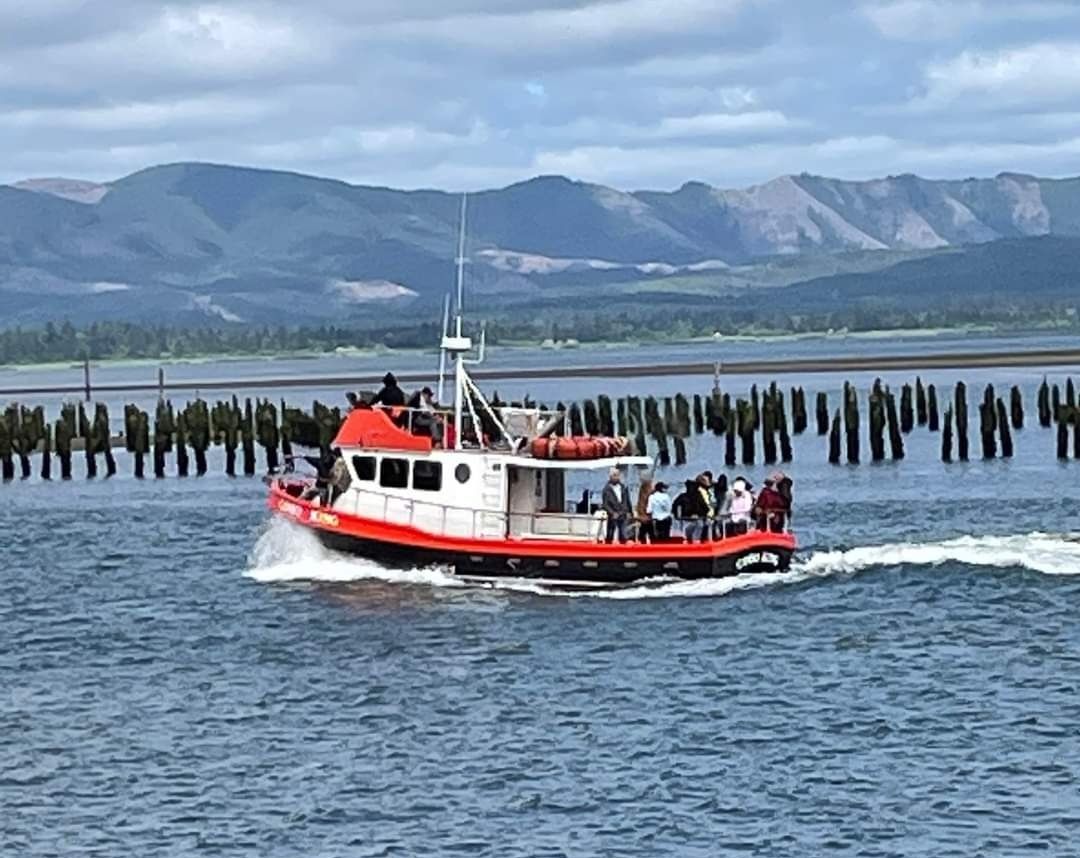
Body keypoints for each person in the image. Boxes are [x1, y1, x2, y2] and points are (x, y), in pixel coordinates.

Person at [601, 468, 632, 544]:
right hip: (613, 514)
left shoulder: (623, 487)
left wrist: (629, 511)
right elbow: (605, 504)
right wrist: (612, 513)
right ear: (610, 477)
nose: (616, 477)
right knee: (610, 534)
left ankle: (623, 548)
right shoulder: (606, 489)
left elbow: (627, 500)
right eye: (614, 475)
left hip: (623, 513)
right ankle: (608, 547)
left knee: (623, 534)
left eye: (618, 475)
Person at [634, 477, 655, 543]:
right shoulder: (650, 495)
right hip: (647, 518)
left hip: (644, 517)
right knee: (650, 534)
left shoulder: (643, 496)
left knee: (643, 534)